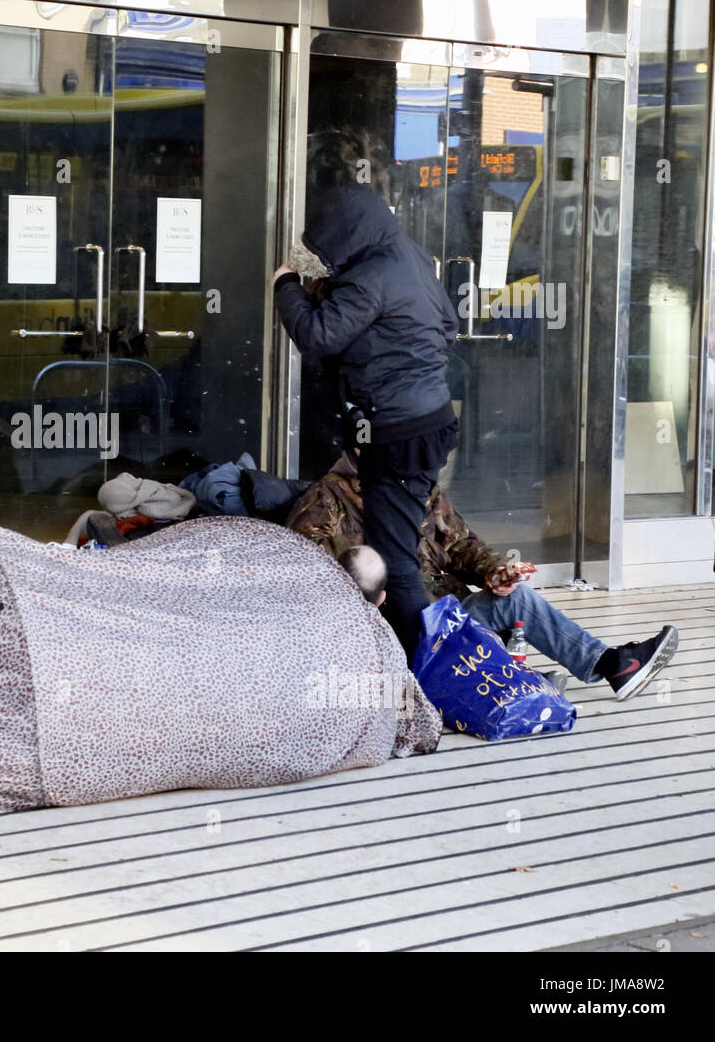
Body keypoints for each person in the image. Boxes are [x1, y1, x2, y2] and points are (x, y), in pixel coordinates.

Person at [288, 450, 680, 701]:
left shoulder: (419, 488)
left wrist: (495, 572)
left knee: (511, 597)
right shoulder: (327, 499)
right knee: (518, 606)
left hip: (452, 615)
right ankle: (610, 665)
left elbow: (461, 545)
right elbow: (316, 582)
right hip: (405, 632)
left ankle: (528, 678)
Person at [275, 184, 459, 655]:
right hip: (425, 421)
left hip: (399, 432)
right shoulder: (409, 256)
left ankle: (432, 670)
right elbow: (445, 325)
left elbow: (317, 336)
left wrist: (285, 285)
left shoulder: (371, 276)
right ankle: (407, 656)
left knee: (394, 562)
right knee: (390, 545)